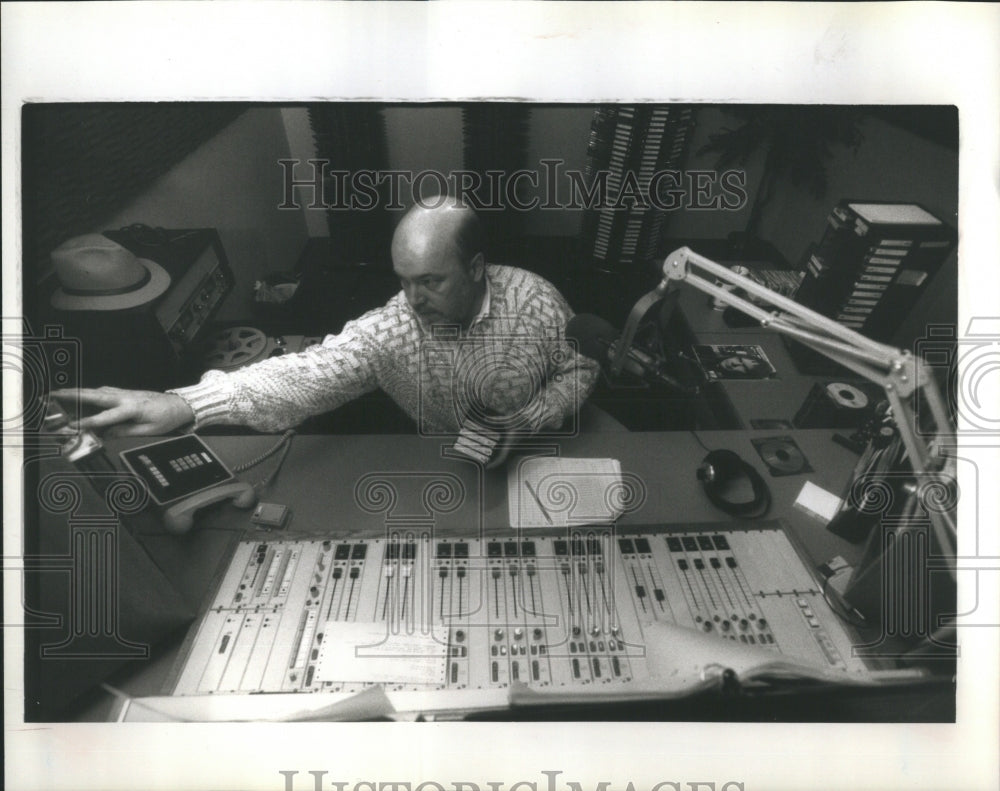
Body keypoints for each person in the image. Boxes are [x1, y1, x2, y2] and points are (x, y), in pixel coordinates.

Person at [56, 198, 599, 441]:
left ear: (477, 268)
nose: (413, 299)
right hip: (446, 463)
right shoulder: (392, 331)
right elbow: (308, 374)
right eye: (403, 281)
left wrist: (534, 419)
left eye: (431, 281)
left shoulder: (538, 302)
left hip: (541, 451)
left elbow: (581, 369)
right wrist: (185, 403)